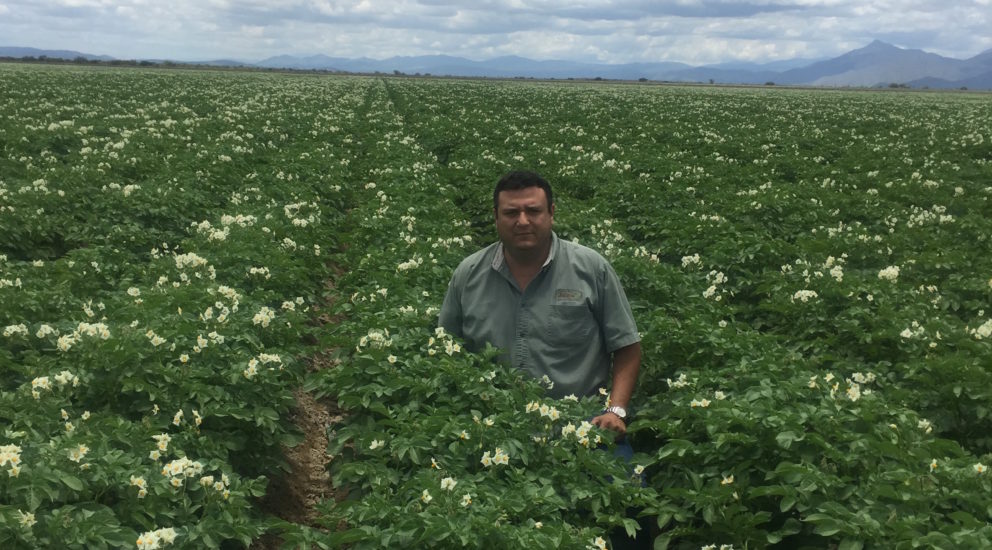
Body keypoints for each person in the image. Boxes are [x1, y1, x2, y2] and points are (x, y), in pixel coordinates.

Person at [438, 170, 641, 437]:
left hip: (581, 425)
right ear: (496, 217)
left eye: (533, 211)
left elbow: (627, 346)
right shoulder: (468, 274)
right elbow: (445, 349)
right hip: (490, 426)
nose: (523, 221)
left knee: (628, 479)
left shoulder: (591, 269)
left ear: (551, 213)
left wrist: (615, 411)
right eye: (511, 213)